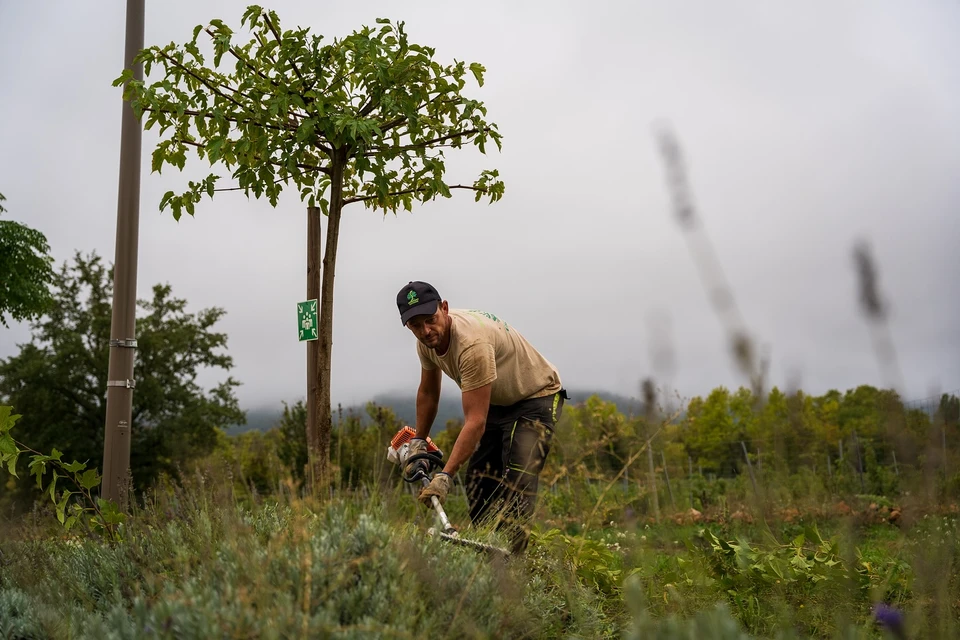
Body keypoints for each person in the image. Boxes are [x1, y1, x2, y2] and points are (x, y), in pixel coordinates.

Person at [396, 280, 568, 554]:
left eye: (431, 320)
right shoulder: (426, 343)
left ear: (444, 308)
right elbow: (428, 393)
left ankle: (514, 564)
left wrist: (445, 476)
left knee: (517, 482)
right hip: (500, 401)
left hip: (537, 396)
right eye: (416, 326)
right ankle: (487, 552)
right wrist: (418, 440)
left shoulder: (471, 345)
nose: (426, 331)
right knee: (480, 481)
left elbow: (475, 421)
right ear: (408, 325)